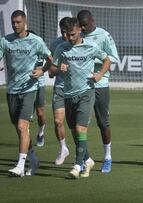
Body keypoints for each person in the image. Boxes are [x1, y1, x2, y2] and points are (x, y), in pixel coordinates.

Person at [51, 17, 111, 179]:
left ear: (79, 30)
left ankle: (77, 165)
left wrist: (99, 74)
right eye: (66, 34)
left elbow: (107, 60)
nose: (69, 38)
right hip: (68, 95)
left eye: (72, 34)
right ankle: (88, 160)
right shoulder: (62, 48)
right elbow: (51, 70)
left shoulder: (91, 46)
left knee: (80, 129)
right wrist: (58, 69)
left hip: (86, 92)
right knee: (75, 133)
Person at [0, 10, 52, 177]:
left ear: (25, 22)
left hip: (30, 89)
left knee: (23, 126)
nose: (15, 25)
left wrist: (42, 71)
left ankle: (20, 165)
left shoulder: (36, 41)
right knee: (19, 129)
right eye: (13, 22)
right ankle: (33, 159)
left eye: (18, 22)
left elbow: (51, 60)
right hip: (12, 90)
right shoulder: (5, 41)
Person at [77, 10, 119, 173]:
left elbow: (114, 57)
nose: (83, 28)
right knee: (80, 125)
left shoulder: (104, 35)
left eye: (85, 25)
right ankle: (81, 159)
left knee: (103, 123)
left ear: (92, 21)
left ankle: (107, 157)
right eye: (80, 26)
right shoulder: (77, 36)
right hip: (82, 85)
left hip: (100, 84)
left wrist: (93, 59)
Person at [49, 17, 71, 165]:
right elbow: (50, 71)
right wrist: (59, 69)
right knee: (58, 121)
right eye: (62, 32)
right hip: (60, 87)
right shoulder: (56, 44)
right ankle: (63, 148)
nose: (65, 36)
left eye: (67, 32)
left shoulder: (82, 43)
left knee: (77, 127)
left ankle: (83, 156)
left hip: (77, 90)